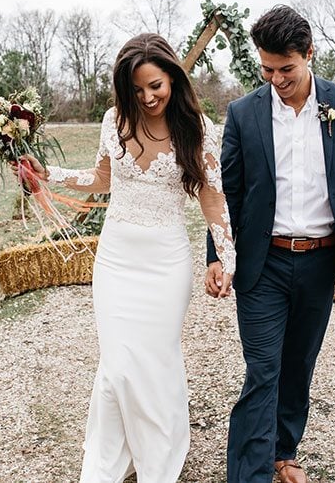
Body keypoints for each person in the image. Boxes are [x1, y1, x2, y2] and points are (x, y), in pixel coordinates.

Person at [205, 5, 335, 483]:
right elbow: (227, 193)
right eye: (267, 69)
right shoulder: (243, 113)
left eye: (287, 69)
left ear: (309, 55)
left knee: (298, 363)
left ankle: (283, 453)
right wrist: (219, 255)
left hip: (321, 262)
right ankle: (249, 474)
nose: (276, 79)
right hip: (263, 262)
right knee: (263, 369)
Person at [15, 33, 235, 482]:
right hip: (116, 261)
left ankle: (159, 457)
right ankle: (111, 462)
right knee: (117, 365)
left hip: (166, 263)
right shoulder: (114, 120)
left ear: (172, 77)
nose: (147, 97)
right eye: (137, 89)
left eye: (155, 85)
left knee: (155, 360)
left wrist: (226, 257)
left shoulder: (198, 127)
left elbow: (213, 197)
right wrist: (49, 174)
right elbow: (101, 178)